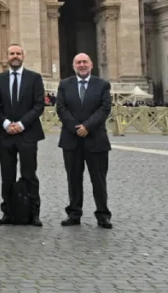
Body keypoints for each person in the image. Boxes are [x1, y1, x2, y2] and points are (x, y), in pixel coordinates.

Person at [56, 53, 113, 229]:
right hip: (72, 139)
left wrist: (87, 127)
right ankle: (74, 213)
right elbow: (61, 108)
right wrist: (76, 127)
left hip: (95, 138)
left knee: (99, 179)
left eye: (84, 62)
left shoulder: (102, 84)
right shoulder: (65, 85)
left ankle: (103, 214)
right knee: (73, 179)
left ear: (91, 65)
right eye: (78, 62)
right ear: (74, 66)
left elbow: (104, 109)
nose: (82, 65)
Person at [0, 44, 45, 226]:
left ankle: (34, 212)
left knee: (29, 174)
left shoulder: (35, 78)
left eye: (18, 53)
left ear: (23, 56)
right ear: (6, 56)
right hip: (6, 134)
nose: (15, 56)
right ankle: (7, 212)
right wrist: (7, 124)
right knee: (7, 175)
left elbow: (39, 105)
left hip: (28, 133)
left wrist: (22, 124)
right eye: (11, 53)